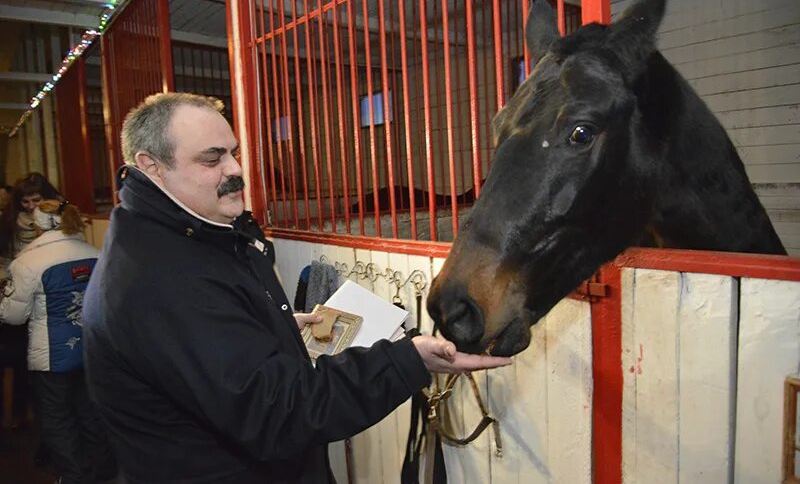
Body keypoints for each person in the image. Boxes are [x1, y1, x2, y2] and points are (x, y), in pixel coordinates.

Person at [82, 92, 511, 483]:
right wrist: (406, 362)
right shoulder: (162, 278)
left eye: (233, 152)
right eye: (212, 159)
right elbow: (278, 413)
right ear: (152, 166)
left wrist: (271, 323)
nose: (235, 170)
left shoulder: (190, 235)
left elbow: (216, 352)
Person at [0, 199, 117, 483]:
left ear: (38, 224)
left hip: (51, 355)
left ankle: (73, 476)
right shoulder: (94, 253)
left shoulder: (27, 262)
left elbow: (13, 316)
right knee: (90, 412)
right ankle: (101, 472)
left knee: (57, 418)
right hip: (90, 349)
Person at [0, 172, 63, 261]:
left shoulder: (62, 217)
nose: (31, 206)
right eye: (25, 202)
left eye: (36, 200)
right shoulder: (9, 219)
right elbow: (5, 256)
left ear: (47, 198)